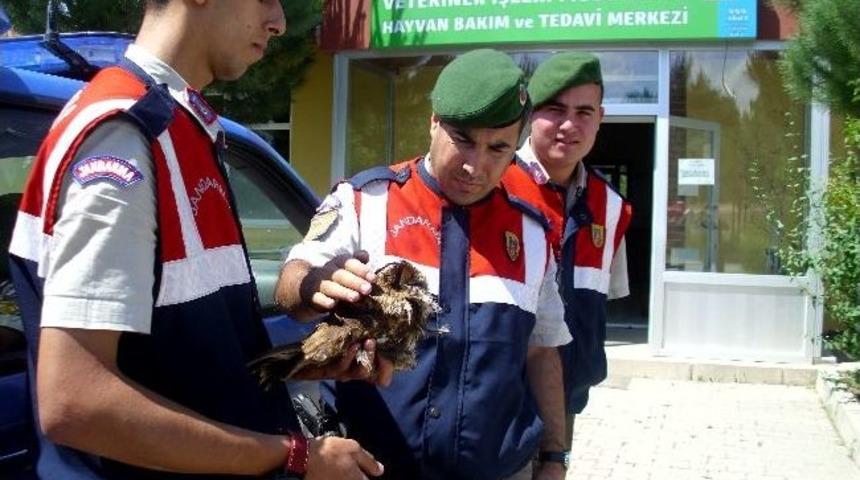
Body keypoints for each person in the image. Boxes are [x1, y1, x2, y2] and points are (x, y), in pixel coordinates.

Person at [7, 1, 391, 478]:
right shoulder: (124, 135)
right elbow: (75, 402)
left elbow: (179, 355)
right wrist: (296, 456)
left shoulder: (182, 127)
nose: (279, 22)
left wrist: (299, 363)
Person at [276, 49, 572, 480]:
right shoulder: (364, 201)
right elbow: (291, 283)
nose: (475, 165)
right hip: (370, 469)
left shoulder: (532, 233)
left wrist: (555, 457)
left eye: (498, 148)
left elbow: (543, 350)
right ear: (434, 122)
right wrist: (312, 285)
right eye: (463, 140)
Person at [508, 51, 633, 465]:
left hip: (564, 400)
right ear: (530, 112)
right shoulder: (491, 186)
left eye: (583, 112)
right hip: (490, 399)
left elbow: (600, 302)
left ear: (600, 118)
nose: (569, 124)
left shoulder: (611, 207)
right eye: (555, 109)